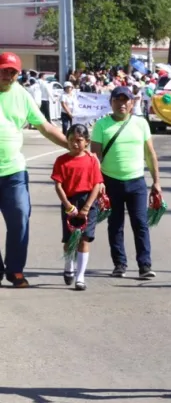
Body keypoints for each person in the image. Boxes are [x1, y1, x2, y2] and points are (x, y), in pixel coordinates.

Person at [0, 52, 68, 288]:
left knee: (20, 218)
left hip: (13, 172)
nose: (8, 75)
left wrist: (71, 146)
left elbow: (45, 127)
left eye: (13, 72)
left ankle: (15, 269)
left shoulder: (22, 95)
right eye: (4, 70)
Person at [91, 86, 161, 279]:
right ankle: (119, 264)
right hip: (110, 181)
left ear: (132, 103)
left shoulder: (141, 123)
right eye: (117, 100)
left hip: (136, 181)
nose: (122, 104)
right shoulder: (101, 125)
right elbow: (95, 157)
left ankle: (145, 265)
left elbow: (150, 154)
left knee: (140, 224)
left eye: (126, 100)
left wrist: (156, 181)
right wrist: (97, 183)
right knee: (115, 224)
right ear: (111, 102)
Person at [51, 124, 103, 291]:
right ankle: (69, 265)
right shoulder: (61, 161)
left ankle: (80, 276)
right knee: (69, 239)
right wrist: (67, 205)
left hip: (88, 200)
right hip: (69, 201)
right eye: (71, 140)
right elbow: (58, 185)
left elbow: (96, 184)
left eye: (79, 140)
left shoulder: (91, 160)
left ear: (87, 141)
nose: (75, 144)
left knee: (84, 238)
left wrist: (87, 207)